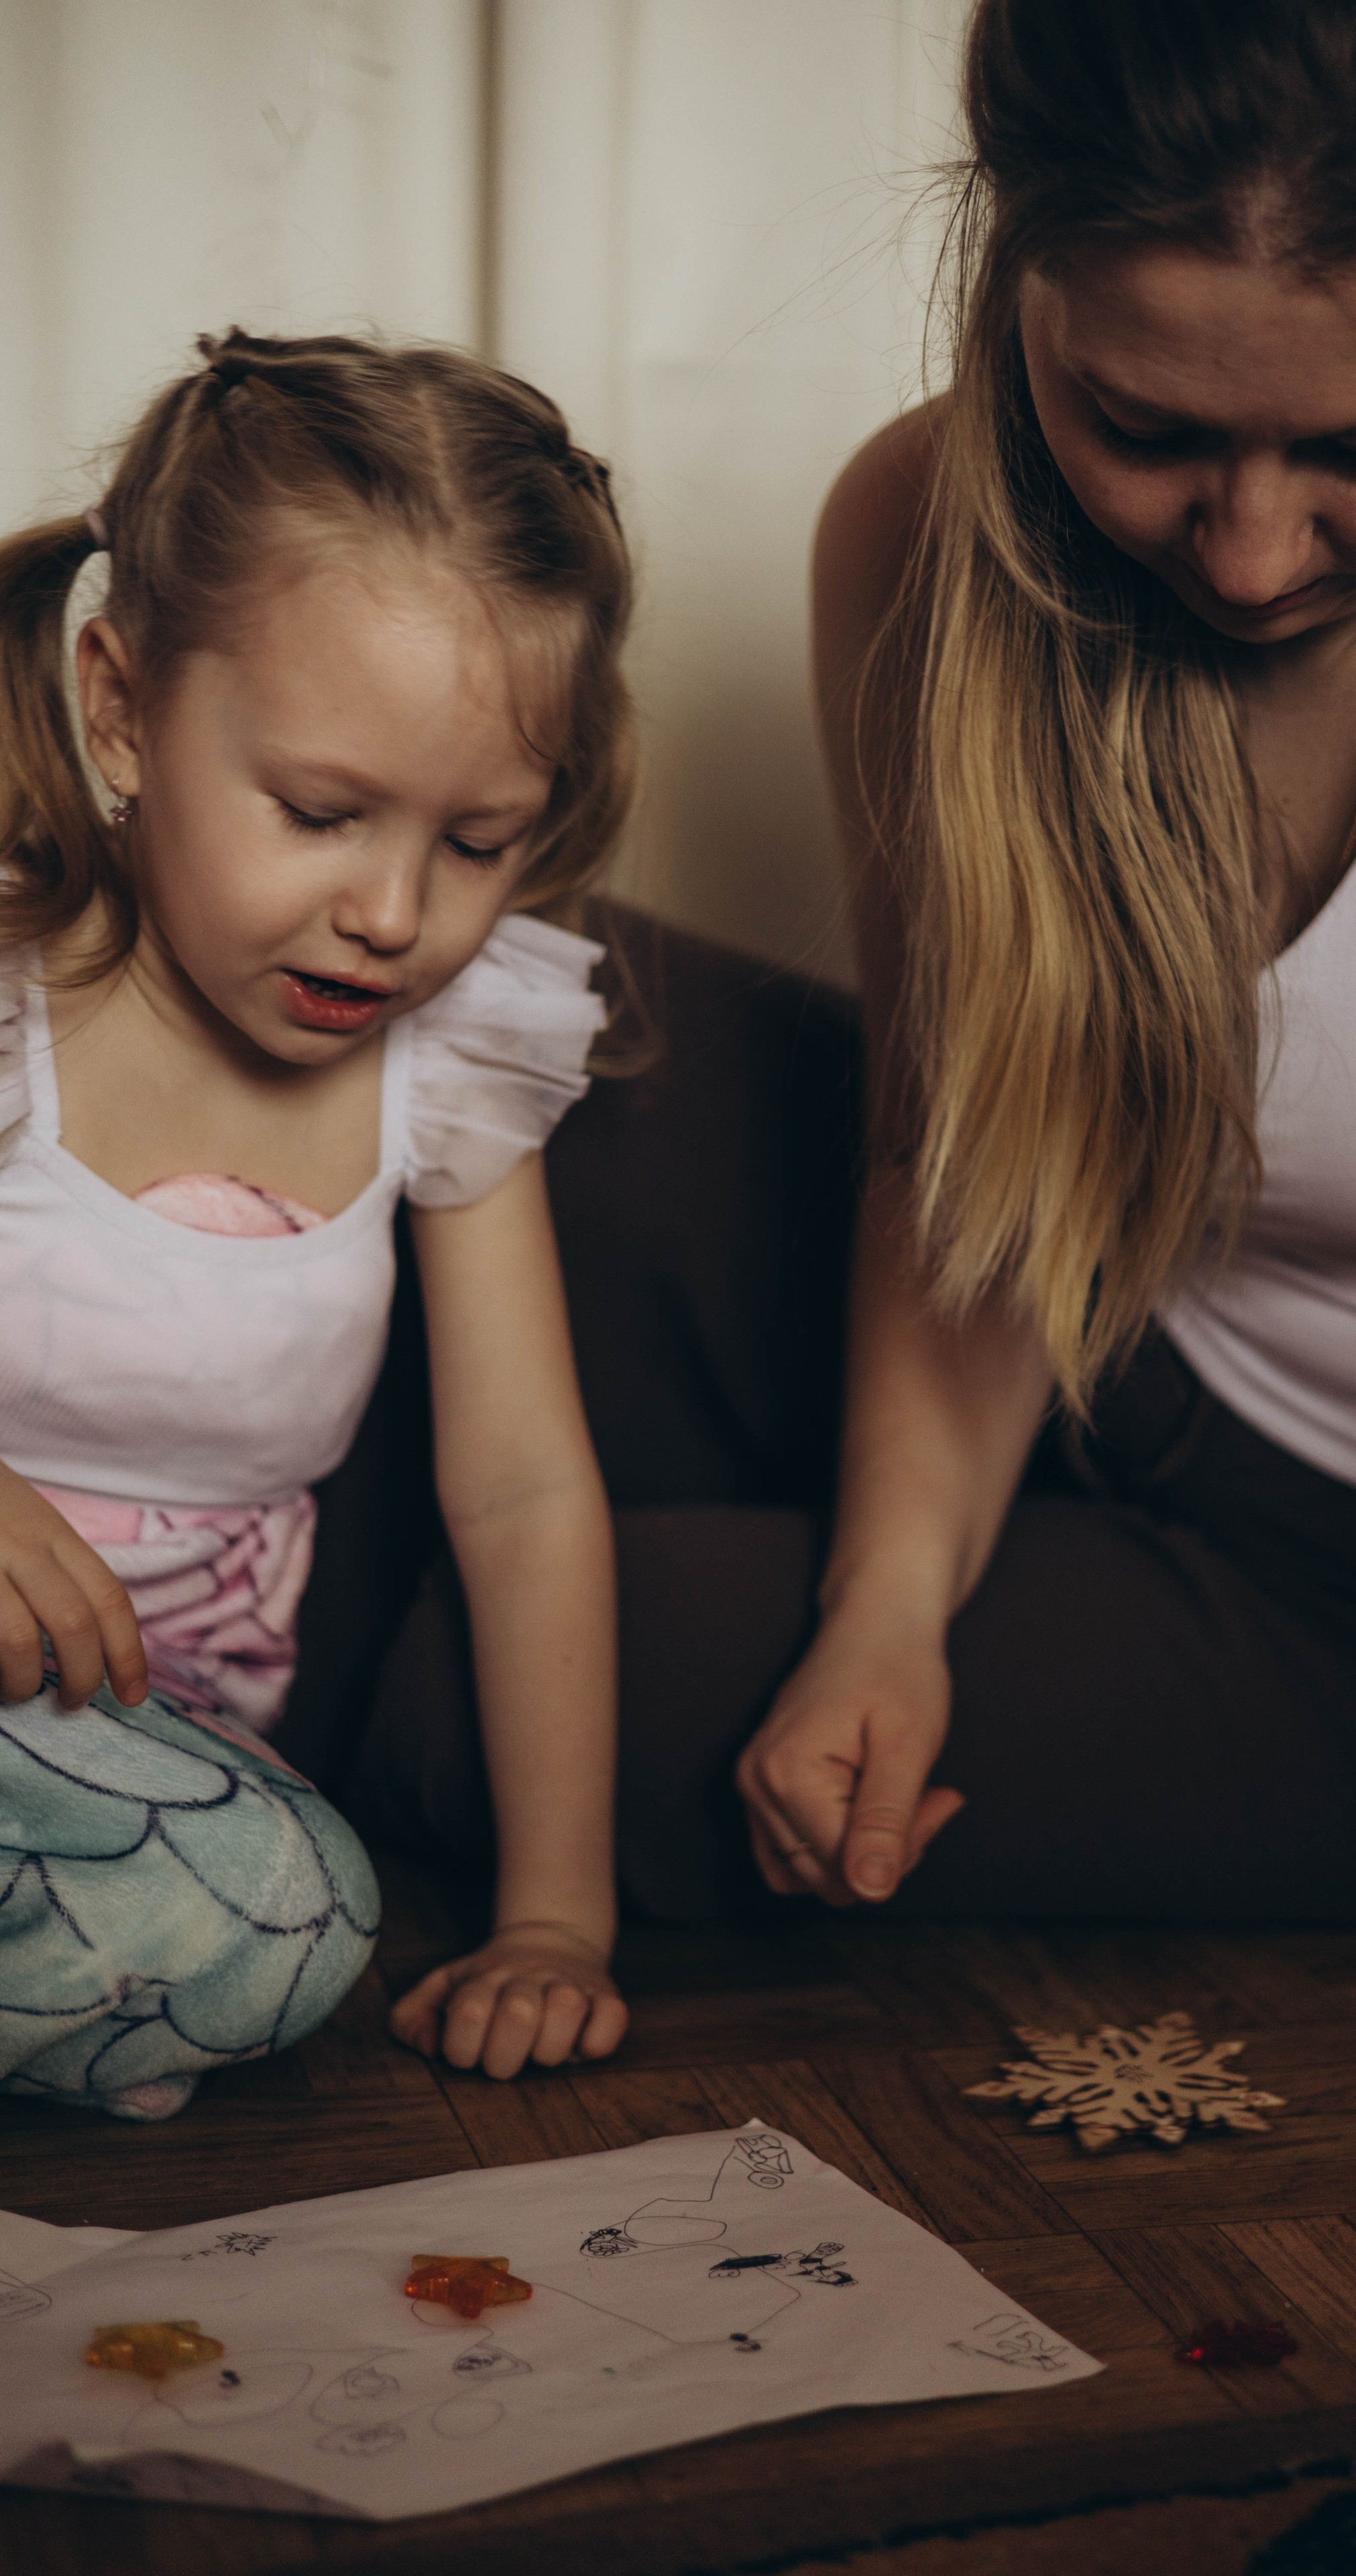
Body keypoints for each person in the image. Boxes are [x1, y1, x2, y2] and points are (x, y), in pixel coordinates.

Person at [348, 0, 1356, 1960]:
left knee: (483, 1714)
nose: (1247, 559)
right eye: (1147, 431)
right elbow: (962, 1161)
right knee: (465, 1008)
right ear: (1024, 269)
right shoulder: (912, 523)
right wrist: (888, 1606)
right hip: (1085, 1357)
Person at [0, 328, 632, 2115]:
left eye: (480, 839)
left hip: (152, 1818)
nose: (393, 913)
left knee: (287, 1921)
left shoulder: (451, 1071)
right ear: (121, 709)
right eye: (323, 813)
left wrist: (555, 1923)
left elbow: (519, 1494)